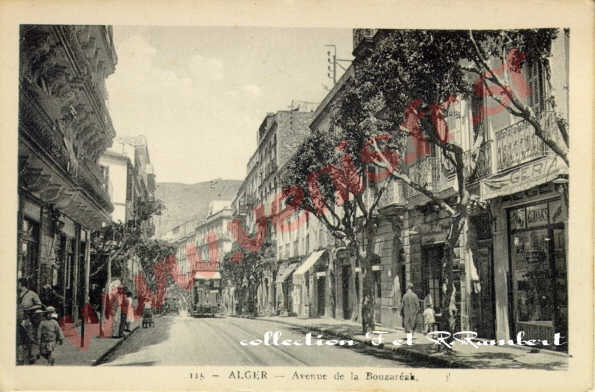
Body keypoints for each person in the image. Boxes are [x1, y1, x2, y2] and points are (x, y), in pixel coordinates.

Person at [17, 278, 42, 365]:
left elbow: (39, 305)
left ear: (21, 284)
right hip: (18, 319)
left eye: (18, 284)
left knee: (29, 338)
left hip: (27, 319)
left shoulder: (32, 294)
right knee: (19, 339)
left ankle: (32, 355)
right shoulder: (17, 293)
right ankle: (20, 359)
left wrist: (29, 309)